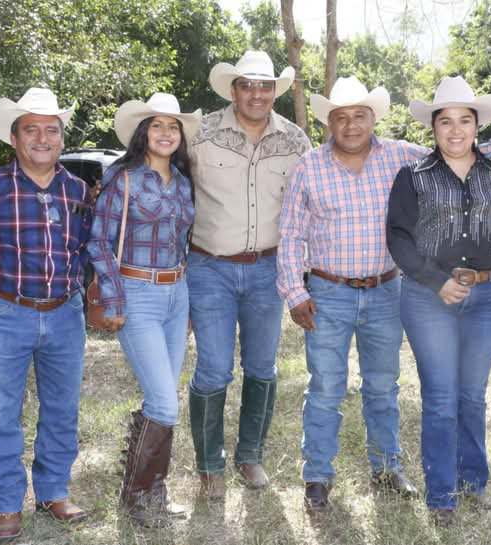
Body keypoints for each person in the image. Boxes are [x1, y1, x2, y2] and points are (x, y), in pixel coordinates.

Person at [278, 75, 491, 513]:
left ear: (373, 118)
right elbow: (291, 234)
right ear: (329, 122)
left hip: (386, 290)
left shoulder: (401, 156)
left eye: (360, 115)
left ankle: (387, 468)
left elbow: (459, 145)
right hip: (328, 292)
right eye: (341, 117)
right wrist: (294, 291)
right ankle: (317, 476)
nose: (351, 125)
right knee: (326, 386)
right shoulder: (308, 166)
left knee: (382, 385)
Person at [0, 88, 91, 542]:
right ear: (14, 138)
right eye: (31, 129)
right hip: (4, 316)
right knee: (1, 413)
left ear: (62, 138)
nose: (42, 139)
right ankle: (7, 504)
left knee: (62, 409)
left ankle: (53, 493)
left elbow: (84, 248)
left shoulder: (78, 190)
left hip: (65, 315)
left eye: (51, 130)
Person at [385, 76, 491, 526]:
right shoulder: (413, 176)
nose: (455, 130)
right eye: (445, 121)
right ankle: (441, 495)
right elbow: (398, 238)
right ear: (433, 127)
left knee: (472, 395)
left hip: (488, 296)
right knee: (440, 397)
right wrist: (437, 280)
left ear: (477, 126)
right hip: (428, 298)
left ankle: (473, 481)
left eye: (464, 120)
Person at [186, 50, 311, 500]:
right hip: (209, 268)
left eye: (265, 86)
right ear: (233, 90)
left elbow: (313, 198)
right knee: (213, 368)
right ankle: (209, 465)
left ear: (275, 91)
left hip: (267, 270)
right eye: (247, 85)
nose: (257, 94)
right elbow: (157, 165)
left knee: (261, 366)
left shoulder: (296, 140)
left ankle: (250, 455)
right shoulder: (199, 134)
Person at [87, 93, 200, 526]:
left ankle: (152, 493)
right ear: (143, 132)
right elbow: (99, 240)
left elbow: (184, 242)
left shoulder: (184, 181)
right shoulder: (124, 179)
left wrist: (187, 303)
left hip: (176, 293)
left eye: (173, 127)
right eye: (157, 125)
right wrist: (114, 298)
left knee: (163, 398)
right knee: (164, 402)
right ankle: (137, 500)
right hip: (137, 294)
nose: (166, 133)